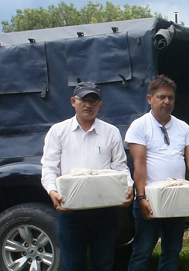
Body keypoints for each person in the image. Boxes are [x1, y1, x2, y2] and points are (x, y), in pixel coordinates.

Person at [41, 82, 133, 271]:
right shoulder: (58, 131)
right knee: (73, 264)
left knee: (104, 262)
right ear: (73, 102)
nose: (88, 105)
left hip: (104, 208)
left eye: (94, 100)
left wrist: (128, 186)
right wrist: (52, 191)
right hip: (71, 208)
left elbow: (120, 166)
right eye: (84, 100)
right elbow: (49, 167)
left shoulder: (111, 132)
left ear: (100, 105)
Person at [125, 75, 189, 271]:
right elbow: (139, 164)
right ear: (149, 99)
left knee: (172, 250)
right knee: (143, 250)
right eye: (161, 97)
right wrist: (141, 197)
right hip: (150, 198)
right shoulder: (139, 126)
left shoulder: (183, 126)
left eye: (170, 98)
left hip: (177, 197)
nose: (167, 101)